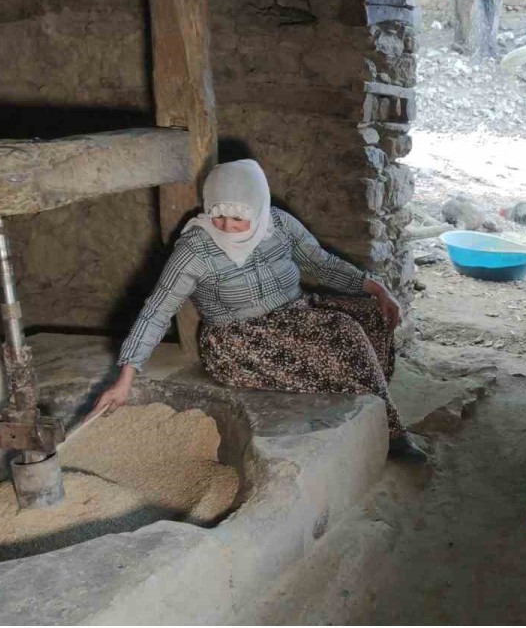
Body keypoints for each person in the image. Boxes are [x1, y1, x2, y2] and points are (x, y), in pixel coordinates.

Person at [88, 159, 428, 462]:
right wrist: (125, 380)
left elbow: (322, 265)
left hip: (296, 311)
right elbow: (157, 311)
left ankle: (370, 398)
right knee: (345, 335)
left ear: (258, 207)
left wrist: (377, 289)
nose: (224, 225)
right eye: (217, 213)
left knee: (369, 314)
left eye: (237, 217)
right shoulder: (195, 249)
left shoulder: (278, 224)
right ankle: (393, 433)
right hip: (239, 340)